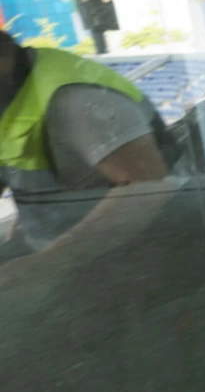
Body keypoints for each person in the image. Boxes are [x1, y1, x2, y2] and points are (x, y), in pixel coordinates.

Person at [0, 29, 172, 252]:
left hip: (132, 250)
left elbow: (148, 188)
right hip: (55, 248)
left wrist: (47, 263)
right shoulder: (8, 96)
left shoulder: (75, 100)